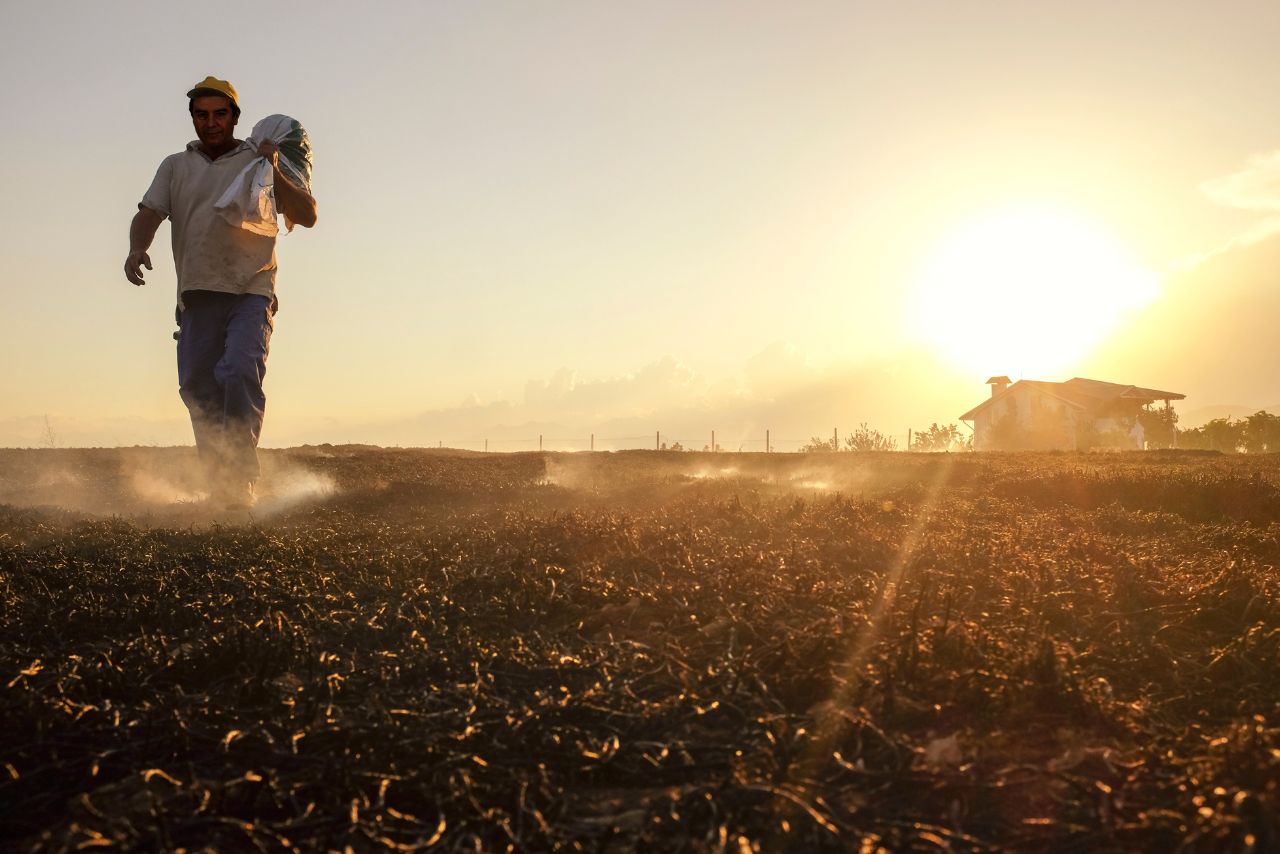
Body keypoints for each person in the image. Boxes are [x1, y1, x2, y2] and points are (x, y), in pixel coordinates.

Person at [124, 77, 317, 509]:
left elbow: (307, 215)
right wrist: (138, 247)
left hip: (252, 288)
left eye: (220, 114)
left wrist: (275, 166)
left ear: (234, 117)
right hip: (197, 292)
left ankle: (240, 481)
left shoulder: (258, 158)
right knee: (196, 386)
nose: (211, 123)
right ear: (192, 118)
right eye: (201, 115)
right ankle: (218, 478)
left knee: (238, 370)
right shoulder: (175, 165)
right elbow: (149, 212)